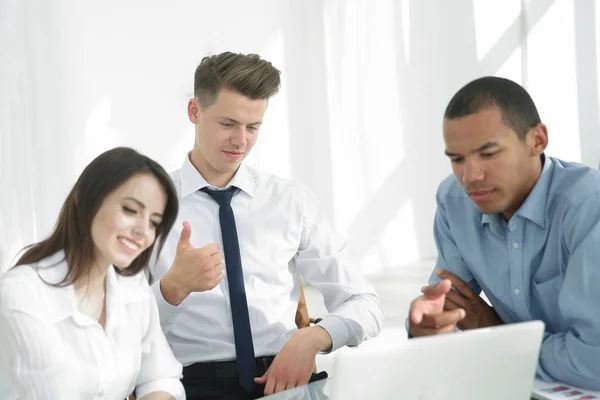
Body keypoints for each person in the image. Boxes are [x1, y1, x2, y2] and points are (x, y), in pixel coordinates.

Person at [148, 51, 384, 399]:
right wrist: (172, 288)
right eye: (227, 124)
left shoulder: (291, 202)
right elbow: (113, 327)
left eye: (253, 127)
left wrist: (314, 338)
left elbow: (365, 303)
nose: (241, 141)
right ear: (194, 111)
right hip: (190, 385)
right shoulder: (148, 207)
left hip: (288, 378)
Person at [407, 76, 600, 390]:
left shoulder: (588, 205)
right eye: (457, 159)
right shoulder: (454, 201)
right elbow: (450, 317)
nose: (470, 177)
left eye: (488, 153)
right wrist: (427, 326)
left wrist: (498, 337)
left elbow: (594, 360)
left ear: (537, 140)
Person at [0, 147, 186, 399]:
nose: (143, 230)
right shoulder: (21, 293)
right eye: (130, 210)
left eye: (154, 222)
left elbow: (161, 376)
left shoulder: (132, 287)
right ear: (84, 198)